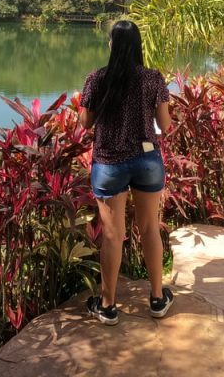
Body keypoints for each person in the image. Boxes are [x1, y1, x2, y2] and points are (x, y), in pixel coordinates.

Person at [78, 19, 174, 326]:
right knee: (149, 229)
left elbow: (85, 123)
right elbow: (166, 124)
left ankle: (107, 306)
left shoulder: (97, 79)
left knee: (112, 234)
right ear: (138, 46)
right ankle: (158, 298)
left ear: (112, 45)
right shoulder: (153, 78)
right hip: (147, 161)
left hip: (108, 164)